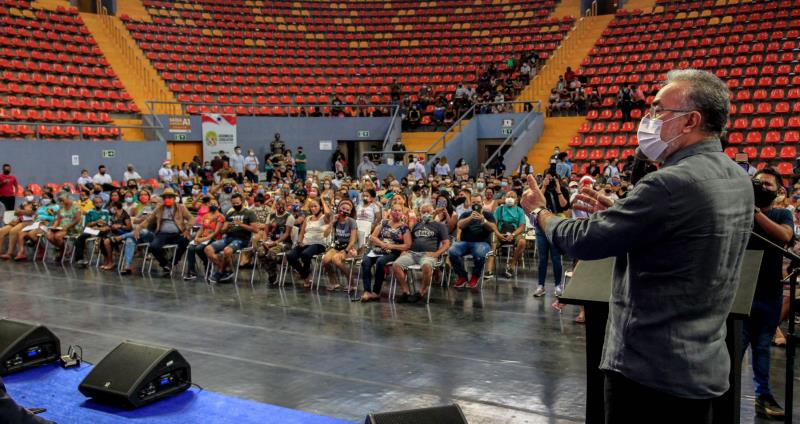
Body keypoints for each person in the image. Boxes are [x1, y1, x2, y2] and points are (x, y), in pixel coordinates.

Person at [523, 69, 752, 423]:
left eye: (659, 110)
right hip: (703, 364)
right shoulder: (737, 177)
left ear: (691, 120)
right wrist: (623, 212)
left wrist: (539, 212)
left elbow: (582, 241)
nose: (649, 119)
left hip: (650, 373)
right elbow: (681, 238)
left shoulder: (669, 183)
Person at [743, 168, 793, 418]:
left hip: (769, 291)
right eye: (757, 183)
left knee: (762, 346)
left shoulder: (781, 214)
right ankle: (724, 395)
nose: (761, 188)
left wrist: (755, 213)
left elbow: (784, 236)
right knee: (733, 348)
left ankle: (763, 396)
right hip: (741, 292)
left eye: (767, 185)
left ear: (779, 191)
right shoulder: (741, 213)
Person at [391, 202, 450, 302]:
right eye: (423, 212)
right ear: (420, 213)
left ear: (433, 212)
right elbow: (410, 241)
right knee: (396, 265)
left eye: (428, 211)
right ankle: (406, 291)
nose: (426, 214)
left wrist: (437, 253)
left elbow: (446, 244)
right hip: (412, 253)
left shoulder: (440, 226)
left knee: (427, 266)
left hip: (428, 254)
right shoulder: (416, 225)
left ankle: (421, 292)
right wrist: (406, 250)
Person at [360, 203, 411, 302]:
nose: (397, 212)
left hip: (393, 252)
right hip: (379, 249)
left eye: (399, 210)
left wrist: (391, 246)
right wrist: (381, 243)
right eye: (395, 210)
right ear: (391, 212)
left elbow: (407, 245)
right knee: (365, 261)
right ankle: (367, 291)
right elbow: (372, 237)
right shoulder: (384, 223)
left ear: (402, 213)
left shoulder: (404, 227)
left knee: (380, 262)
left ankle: (376, 292)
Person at [136, 188, 192, 276]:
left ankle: (173, 262)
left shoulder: (181, 207)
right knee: (153, 247)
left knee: (185, 240)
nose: (167, 199)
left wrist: (187, 229)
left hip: (177, 233)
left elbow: (191, 218)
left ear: (174, 198)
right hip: (162, 234)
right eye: (165, 197)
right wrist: (139, 227)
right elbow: (148, 219)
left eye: (170, 197)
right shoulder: (159, 208)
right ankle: (165, 263)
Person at [530, 172, 569, 297]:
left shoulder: (563, 189)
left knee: (556, 258)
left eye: (553, 178)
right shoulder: (540, 190)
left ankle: (558, 286)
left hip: (556, 226)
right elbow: (537, 203)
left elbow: (564, 205)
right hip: (541, 226)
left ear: (557, 179)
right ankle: (540, 286)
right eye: (548, 177)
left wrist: (558, 190)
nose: (550, 180)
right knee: (542, 258)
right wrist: (544, 186)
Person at [204, 193, 257, 283]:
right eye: (233, 203)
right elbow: (223, 231)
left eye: (237, 203)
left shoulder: (249, 213)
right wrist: (226, 227)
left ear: (242, 202)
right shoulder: (230, 213)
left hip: (242, 239)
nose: (235, 205)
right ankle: (226, 270)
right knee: (207, 249)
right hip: (229, 237)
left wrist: (241, 224)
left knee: (227, 251)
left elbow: (255, 229)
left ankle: (220, 272)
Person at [449, 193, 497, 288]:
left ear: (482, 203)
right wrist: (470, 218)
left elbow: (493, 228)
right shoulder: (466, 214)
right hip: (465, 243)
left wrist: (483, 221)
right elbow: (460, 225)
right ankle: (462, 276)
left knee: (479, 254)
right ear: (470, 204)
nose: (476, 204)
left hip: (482, 243)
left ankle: (475, 276)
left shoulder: (488, 215)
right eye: (474, 202)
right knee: (452, 251)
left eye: (478, 202)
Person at [286, 197, 330, 288]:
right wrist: (299, 241)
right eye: (311, 207)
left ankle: (305, 276)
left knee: (305, 254)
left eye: (315, 206)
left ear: (321, 207)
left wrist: (322, 199)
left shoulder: (324, 218)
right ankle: (305, 275)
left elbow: (328, 213)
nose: (313, 208)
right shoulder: (308, 218)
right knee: (290, 255)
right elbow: (302, 233)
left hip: (318, 244)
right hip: (306, 243)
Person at [487, 191, 527, 278]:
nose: (510, 198)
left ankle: (512, 264)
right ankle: (489, 270)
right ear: (504, 198)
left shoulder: (519, 210)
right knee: (492, 242)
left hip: (514, 233)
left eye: (512, 197)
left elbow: (522, 227)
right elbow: (494, 224)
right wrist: (498, 234)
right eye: (508, 196)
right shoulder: (499, 209)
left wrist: (512, 235)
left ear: (516, 200)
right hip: (500, 233)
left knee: (522, 242)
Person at [183, 198, 225, 280]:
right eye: (211, 203)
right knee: (190, 248)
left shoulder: (220, 217)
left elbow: (216, 232)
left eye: (215, 204)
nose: (212, 205)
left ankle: (207, 263)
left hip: (214, 239)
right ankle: (191, 272)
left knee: (199, 248)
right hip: (203, 238)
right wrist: (196, 237)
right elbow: (201, 229)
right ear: (208, 205)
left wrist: (203, 239)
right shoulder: (206, 216)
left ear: (219, 206)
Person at [322, 198, 358, 291]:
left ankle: (351, 281)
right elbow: (325, 234)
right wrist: (332, 222)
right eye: (343, 208)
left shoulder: (352, 221)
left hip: (349, 247)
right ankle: (333, 281)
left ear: (350, 212)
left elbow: (353, 241)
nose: (344, 211)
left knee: (336, 259)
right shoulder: (335, 220)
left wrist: (345, 251)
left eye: (347, 210)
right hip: (337, 246)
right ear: (339, 209)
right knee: (325, 260)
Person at [260, 197, 295, 285]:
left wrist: (275, 243)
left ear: (286, 205)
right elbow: (266, 231)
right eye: (279, 204)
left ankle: (281, 262)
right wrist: (264, 241)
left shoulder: (289, 216)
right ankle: (271, 272)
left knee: (271, 252)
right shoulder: (271, 215)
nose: (281, 206)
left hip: (284, 242)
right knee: (260, 251)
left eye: (283, 204)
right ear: (275, 205)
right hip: (271, 241)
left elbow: (286, 234)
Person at [73, 196, 111, 266]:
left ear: (102, 203)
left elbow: (108, 224)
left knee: (104, 237)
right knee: (80, 238)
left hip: (102, 230)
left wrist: (99, 228)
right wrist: (96, 222)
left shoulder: (105, 212)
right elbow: (87, 224)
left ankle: (107, 259)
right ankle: (79, 259)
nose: (98, 204)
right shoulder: (89, 212)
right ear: (93, 203)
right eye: (96, 202)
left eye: (100, 202)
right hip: (92, 230)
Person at [44, 193, 82, 258]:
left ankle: (62, 252)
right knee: (48, 236)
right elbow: (58, 219)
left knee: (57, 236)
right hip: (60, 227)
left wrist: (67, 226)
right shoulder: (61, 207)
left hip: (72, 227)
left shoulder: (76, 207)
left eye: (62, 200)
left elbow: (77, 220)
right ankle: (65, 250)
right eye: (59, 200)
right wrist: (54, 226)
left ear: (68, 198)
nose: (61, 202)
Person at [99, 201, 132, 270]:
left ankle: (110, 262)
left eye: (111, 207)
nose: (110, 208)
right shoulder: (113, 215)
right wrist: (105, 227)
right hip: (113, 233)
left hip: (123, 235)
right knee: (102, 238)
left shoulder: (125, 215)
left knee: (106, 241)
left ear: (115, 207)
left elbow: (129, 228)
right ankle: (107, 260)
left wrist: (120, 226)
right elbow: (111, 225)